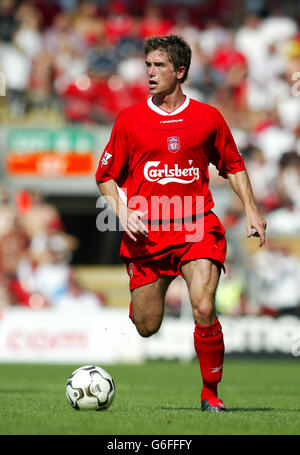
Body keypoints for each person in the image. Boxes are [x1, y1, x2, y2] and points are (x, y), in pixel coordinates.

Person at [95, 35, 266, 412]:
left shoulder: (208, 118)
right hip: (148, 236)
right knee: (146, 325)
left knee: (204, 306)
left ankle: (210, 394)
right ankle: (143, 301)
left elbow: (233, 165)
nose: (149, 72)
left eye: (158, 66)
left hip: (196, 227)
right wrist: (124, 212)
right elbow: (105, 175)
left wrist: (251, 209)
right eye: (148, 65)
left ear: (181, 71)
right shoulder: (130, 119)